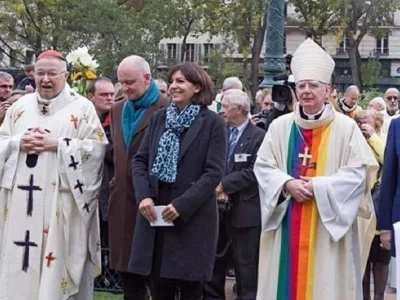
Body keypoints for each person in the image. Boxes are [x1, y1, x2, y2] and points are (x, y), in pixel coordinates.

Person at [255, 38, 378, 300]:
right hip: (287, 220)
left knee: (325, 286)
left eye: (314, 85)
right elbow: (263, 166)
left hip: (328, 226)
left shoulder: (345, 128)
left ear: (328, 90)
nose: (307, 90)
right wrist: (286, 183)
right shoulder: (280, 127)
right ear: (295, 90)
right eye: (302, 85)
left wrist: (318, 186)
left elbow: (361, 173)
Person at [0, 50, 107, 299]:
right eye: (40, 73)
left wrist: (58, 145)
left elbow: (97, 152)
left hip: (60, 206)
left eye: (52, 74)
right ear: (33, 75)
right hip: (19, 208)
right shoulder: (19, 108)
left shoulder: (82, 109)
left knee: (54, 276)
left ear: (66, 75)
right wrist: (17, 143)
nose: (45, 79)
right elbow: (3, 141)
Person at [130, 62, 226, 300]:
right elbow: (140, 161)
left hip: (191, 220)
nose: (173, 86)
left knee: (191, 289)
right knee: (159, 287)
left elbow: (213, 172)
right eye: (172, 81)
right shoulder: (158, 119)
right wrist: (144, 196)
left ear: (197, 87)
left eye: (180, 81)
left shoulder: (213, 123)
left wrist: (182, 205)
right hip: (156, 217)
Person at [108, 55, 169, 300]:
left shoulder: (167, 108)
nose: (125, 88)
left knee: (157, 277)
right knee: (127, 275)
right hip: (122, 202)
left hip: (153, 201)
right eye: (121, 82)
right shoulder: (117, 109)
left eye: (130, 82)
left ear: (147, 78)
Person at [203, 89, 265, 300]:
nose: (221, 111)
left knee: (246, 268)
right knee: (214, 266)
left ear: (239, 109)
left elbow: (255, 170)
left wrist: (223, 186)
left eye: (225, 106)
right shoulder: (219, 133)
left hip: (245, 214)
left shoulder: (259, 137)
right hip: (216, 212)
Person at [354, 110, 389, 300]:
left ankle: (380, 296)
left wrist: (373, 138)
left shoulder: (384, 138)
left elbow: (390, 161)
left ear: (376, 122)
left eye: (365, 120)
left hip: (381, 206)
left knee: (381, 258)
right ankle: (364, 295)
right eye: (358, 121)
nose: (361, 124)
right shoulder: (354, 141)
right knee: (363, 258)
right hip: (361, 209)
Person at [86, 77, 116, 288]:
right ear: (91, 96)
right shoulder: (81, 119)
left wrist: (98, 146)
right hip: (85, 186)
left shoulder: (117, 120)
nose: (110, 99)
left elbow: (120, 153)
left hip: (109, 184)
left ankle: (111, 275)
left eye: (112, 94)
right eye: (104, 95)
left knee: (108, 234)